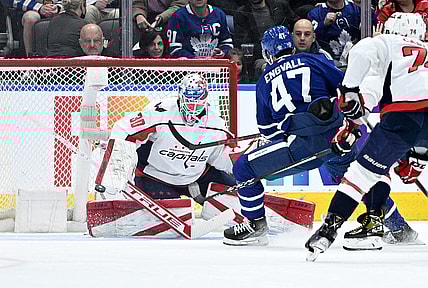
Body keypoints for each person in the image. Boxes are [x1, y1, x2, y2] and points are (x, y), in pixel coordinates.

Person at [305, 12, 428, 261]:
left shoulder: (388, 43)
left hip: (402, 119)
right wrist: (418, 159)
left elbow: (363, 63)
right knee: (402, 161)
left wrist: (349, 95)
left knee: (361, 175)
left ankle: (328, 232)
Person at [223, 25, 360, 246]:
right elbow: (345, 86)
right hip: (337, 138)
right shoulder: (313, 59)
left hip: (303, 147)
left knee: (243, 168)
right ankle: (395, 226)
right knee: (361, 178)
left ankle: (255, 224)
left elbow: (268, 130)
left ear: (267, 52)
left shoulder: (264, 81)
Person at [103, 73, 236, 204]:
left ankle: (195, 190)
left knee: (239, 199)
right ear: (181, 94)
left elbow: (219, 157)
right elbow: (124, 130)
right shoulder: (160, 112)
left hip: (198, 176)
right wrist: (115, 173)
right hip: (155, 178)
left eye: (198, 98)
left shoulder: (216, 123)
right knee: (173, 220)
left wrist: (242, 168)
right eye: (189, 98)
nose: (193, 105)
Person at [233, 0, 296, 81]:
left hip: (286, 54)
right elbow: (242, 44)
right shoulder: (241, 14)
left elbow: (296, 25)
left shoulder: (281, 6)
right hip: (258, 58)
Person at [307, 0, 376, 63]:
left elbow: (373, 25)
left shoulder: (355, 8)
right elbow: (309, 38)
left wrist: (366, 9)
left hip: (355, 61)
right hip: (328, 63)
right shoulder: (315, 13)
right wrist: (323, 24)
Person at [166, 0, 233, 57]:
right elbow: (174, 48)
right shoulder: (178, 16)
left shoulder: (219, 14)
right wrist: (194, 60)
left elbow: (227, 43)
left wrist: (222, 52)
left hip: (215, 67)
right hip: (188, 68)